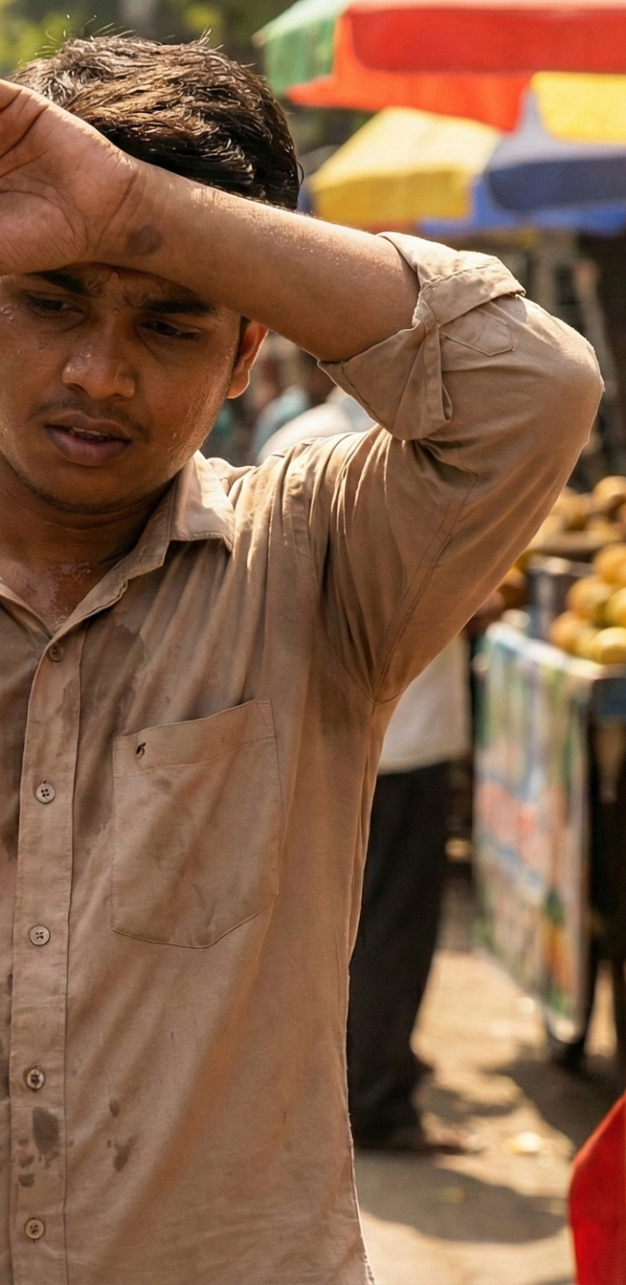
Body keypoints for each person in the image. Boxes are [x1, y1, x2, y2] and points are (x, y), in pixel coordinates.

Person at [0, 36, 601, 1283]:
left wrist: (133, 210)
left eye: (170, 323)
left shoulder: (319, 566)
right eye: (53, 298)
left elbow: (535, 386)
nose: (98, 372)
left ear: (246, 356)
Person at [260, 398, 473, 1152]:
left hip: (324, 728)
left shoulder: (295, 439)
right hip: (398, 737)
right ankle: (374, 1097)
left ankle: (353, 1079)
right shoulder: (422, 450)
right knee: (388, 921)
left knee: (336, 920)